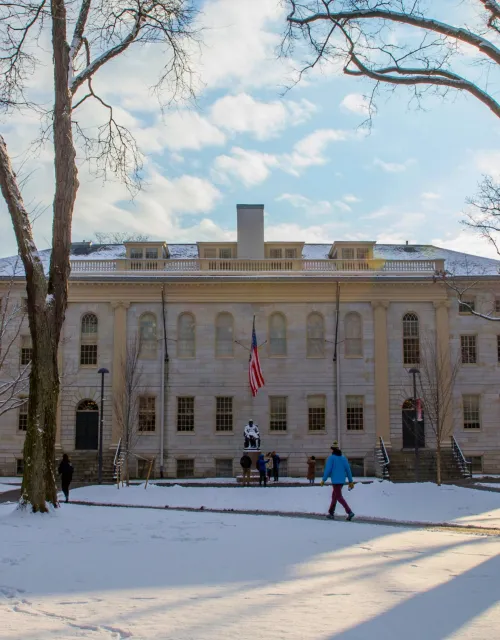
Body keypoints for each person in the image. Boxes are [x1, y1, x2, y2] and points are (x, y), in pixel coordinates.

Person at [320, 443, 355, 520]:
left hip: (335, 481)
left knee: (338, 497)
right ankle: (331, 513)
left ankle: (349, 512)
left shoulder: (331, 458)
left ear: (333, 450)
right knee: (334, 496)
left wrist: (323, 479)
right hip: (342, 481)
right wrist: (350, 481)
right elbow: (348, 470)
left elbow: (328, 469)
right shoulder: (343, 458)